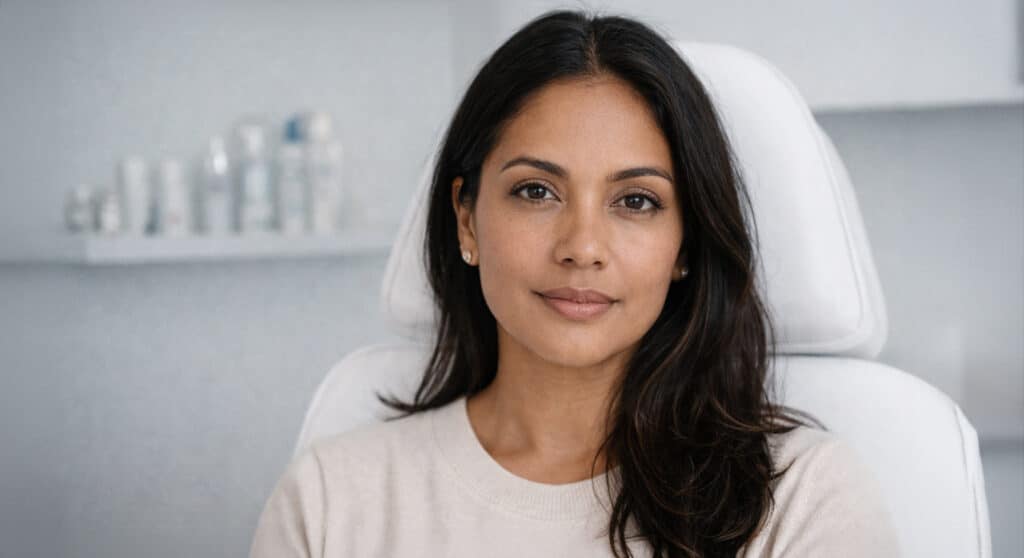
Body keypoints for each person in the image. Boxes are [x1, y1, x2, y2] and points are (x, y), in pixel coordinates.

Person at [249, 9, 901, 558]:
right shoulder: (330, 502)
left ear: (685, 245)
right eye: (536, 191)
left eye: (636, 201)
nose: (582, 248)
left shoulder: (802, 500)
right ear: (467, 219)